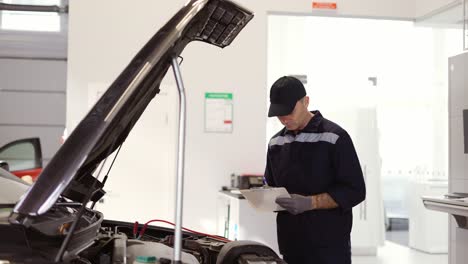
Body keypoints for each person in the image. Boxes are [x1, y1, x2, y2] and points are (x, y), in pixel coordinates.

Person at [264, 76, 366, 264]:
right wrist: (265, 197)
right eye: (279, 114)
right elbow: (270, 184)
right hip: (290, 245)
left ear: (306, 102)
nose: (284, 118)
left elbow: (355, 191)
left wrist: (311, 203)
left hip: (328, 248)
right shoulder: (275, 143)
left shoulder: (335, 137)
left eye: (289, 111)